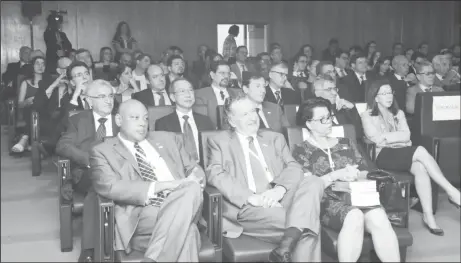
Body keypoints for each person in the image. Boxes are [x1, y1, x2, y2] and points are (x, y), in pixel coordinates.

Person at [206, 94, 324, 262]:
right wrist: (251, 197)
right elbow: (215, 173)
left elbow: (294, 167)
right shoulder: (219, 142)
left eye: (253, 111)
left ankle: (286, 244)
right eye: (244, 114)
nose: (252, 117)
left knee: (314, 181)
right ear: (232, 121)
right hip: (250, 206)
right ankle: (290, 240)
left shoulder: (274, 138)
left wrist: (279, 190)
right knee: (307, 226)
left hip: (282, 198)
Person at [89, 99, 205, 262]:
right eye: (135, 118)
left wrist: (196, 176)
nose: (142, 123)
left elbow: (194, 167)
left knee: (191, 188)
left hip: (184, 201)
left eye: (145, 118)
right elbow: (109, 187)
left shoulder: (169, 139)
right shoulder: (102, 151)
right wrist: (166, 185)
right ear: (119, 120)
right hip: (142, 214)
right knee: (189, 231)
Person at [292, 98, 400, 262]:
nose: (329, 122)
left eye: (329, 116)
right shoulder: (301, 151)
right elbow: (309, 186)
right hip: (326, 200)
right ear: (309, 123)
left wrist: (357, 174)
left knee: (378, 215)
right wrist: (337, 175)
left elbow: (365, 171)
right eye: (323, 119)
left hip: (357, 195)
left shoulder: (346, 143)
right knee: (354, 216)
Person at [361, 79, 461, 236]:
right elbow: (375, 138)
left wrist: (389, 137)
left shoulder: (398, 113)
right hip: (384, 155)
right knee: (420, 150)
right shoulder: (366, 115)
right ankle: (452, 191)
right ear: (375, 97)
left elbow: (407, 135)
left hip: (402, 152)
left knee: (421, 168)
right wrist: (398, 138)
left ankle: (429, 217)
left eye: (390, 92)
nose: (389, 96)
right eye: (384, 93)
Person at [55, 79, 120, 261]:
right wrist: (90, 160)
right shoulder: (78, 119)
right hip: (87, 172)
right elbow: (63, 145)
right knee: (96, 187)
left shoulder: (121, 118)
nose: (108, 101)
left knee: (101, 189)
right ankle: (91, 249)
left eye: (110, 96)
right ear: (89, 100)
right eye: (101, 97)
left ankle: (96, 249)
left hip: (119, 172)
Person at [155, 78, 216, 161]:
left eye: (190, 90)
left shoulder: (206, 121)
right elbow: (164, 155)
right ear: (173, 97)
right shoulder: (162, 124)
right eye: (182, 91)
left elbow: (213, 151)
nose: (188, 94)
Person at [11, 56, 49, 153]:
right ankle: (29, 141)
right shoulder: (25, 83)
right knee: (33, 109)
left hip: (45, 112)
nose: (40, 66)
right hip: (29, 112)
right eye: (37, 63)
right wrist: (27, 101)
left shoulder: (49, 83)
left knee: (38, 107)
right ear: (32, 66)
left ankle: (24, 138)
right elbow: (19, 105)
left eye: (43, 64)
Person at [194, 61, 240, 127]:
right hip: (213, 133)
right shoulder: (200, 94)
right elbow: (202, 123)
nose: (226, 76)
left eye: (228, 74)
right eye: (222, 73)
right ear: (212, 75)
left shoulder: (238, 94)